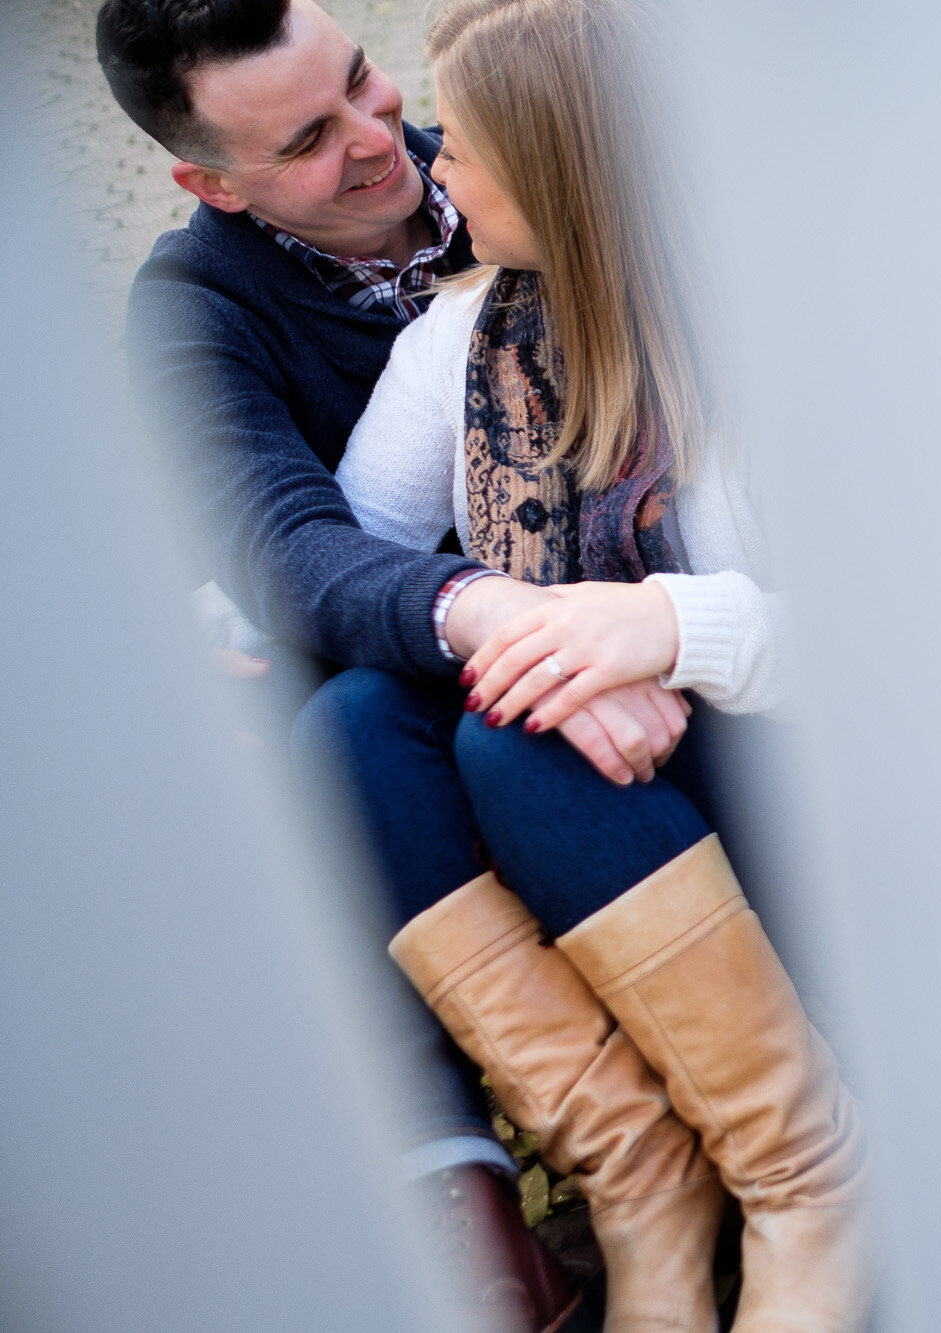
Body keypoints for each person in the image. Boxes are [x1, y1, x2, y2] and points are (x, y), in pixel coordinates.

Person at [92, 0, 689, 1324]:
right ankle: (478, 1196)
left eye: (367, 83)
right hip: (437, 676)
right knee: (309, 726)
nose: (385, 142)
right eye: (310, 139)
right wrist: (485, 613)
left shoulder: (509, 157)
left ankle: (736, 1136)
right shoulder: (194, 313)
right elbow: (288, 544)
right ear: (211, 185)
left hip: (644, 641)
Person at [311, 1, 873, 1327]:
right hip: (606, 851)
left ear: (564, 171)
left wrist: (668, 628)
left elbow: (904, 663)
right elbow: (344, 560)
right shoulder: (469, 333)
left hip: (814, 840)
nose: (435, 163)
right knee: (353, 719)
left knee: (519, 729)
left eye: (470, 148)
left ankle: (806, 1172)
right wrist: (517, 619)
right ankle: (641, 1176)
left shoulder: (772, 337)